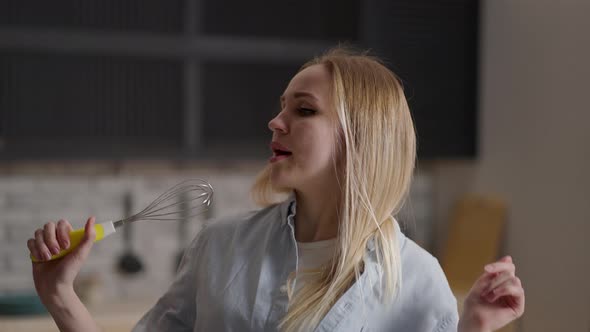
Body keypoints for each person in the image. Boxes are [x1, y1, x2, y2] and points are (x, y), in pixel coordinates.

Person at [28, 47, 525, 332]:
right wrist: (61, 296)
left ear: (362, 138)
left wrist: (475, 326)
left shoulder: (419, 280)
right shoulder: (219, 248)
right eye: (281, 106)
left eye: (303, 110)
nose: (275, 121)